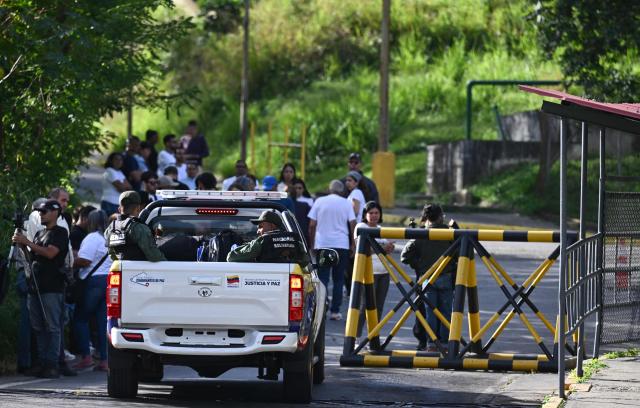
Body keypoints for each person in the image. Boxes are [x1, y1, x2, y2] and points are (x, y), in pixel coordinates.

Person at [12, 200, 69, 378]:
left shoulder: (60, 232)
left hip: (52, 287)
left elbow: (50, 253)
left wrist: (27, 241)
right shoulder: (39, 233)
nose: (41, 214)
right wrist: (22, 245)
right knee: (38, 327)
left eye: (44, 211)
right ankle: (42, 362)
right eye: (39, 212)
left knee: (52, 326)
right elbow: (33, 255)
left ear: (55, 212)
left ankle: (52, 364)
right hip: (35, 285)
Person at [400, 204, 456, 351]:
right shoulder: (450, 234)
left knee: (430, 312)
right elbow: (461, 251)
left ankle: (431, 342)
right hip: (446, 275)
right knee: (446, 312)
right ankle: (445, 343)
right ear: (440, 216)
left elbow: (404, 256)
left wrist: (418, 265)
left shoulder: (421, 235)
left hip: (426, 277)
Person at [308, 180, 356, 320]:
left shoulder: (319, 201)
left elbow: (312, 225)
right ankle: (335, 311)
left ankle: (321, 308)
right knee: (338, 279)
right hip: (341, 245)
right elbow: (353, 224)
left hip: (323, 244)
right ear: (341, 191)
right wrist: (353, 244)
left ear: (329, 189)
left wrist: (312, 244)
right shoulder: (346, 202)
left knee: (322, 277)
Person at [72, 210, 111, 372]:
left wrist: (71, 261)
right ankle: (105, 360)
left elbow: (85, 260)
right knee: (103, 323)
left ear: (91, 222)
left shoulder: (92, 238)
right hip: (107, 281)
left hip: (93, 281)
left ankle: (86, 357)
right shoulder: (109, 238)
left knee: (80, 319)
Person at [354, 201, 394, 337]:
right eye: (371, 213)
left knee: (379, 308)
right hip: (368, 273)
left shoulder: (381, 229)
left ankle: (373, 338)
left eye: (377, 213)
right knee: (364, 307)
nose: (374, 215)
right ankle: (356, 339)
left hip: (384, 273)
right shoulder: (361, 227)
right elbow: (363, 249)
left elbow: (386, 249)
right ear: (365, 214)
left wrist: (390, 248)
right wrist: (383, 248)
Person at [227, 210, 308, 265]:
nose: (258, 231)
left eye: (260, 227)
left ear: (272, 226)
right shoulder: (294, 241)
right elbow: (305, 262)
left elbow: (231, 257)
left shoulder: (263, 241)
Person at [104, 191, 166, 262]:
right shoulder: (139, 228)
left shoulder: (110, 228)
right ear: (138, 208)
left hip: (121, 268)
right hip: (141, 270)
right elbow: (155, 257)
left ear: (119, 209)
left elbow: (112, 255)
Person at [101, 152, 131, 217]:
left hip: (118, 204)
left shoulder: (120, 172)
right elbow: (121, 188)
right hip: (109, 202)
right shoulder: (109, 171)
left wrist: (123, 186)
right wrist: (123, 185)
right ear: (111, 161)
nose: (119, 161)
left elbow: (129, 188)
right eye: (116, 159)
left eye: (120, 159)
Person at [289, 178, 312, 244]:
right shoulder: (289, 202)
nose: (297, 190)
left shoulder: (308, 202)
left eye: (300, 188)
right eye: (295, 188)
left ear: (303, 189)